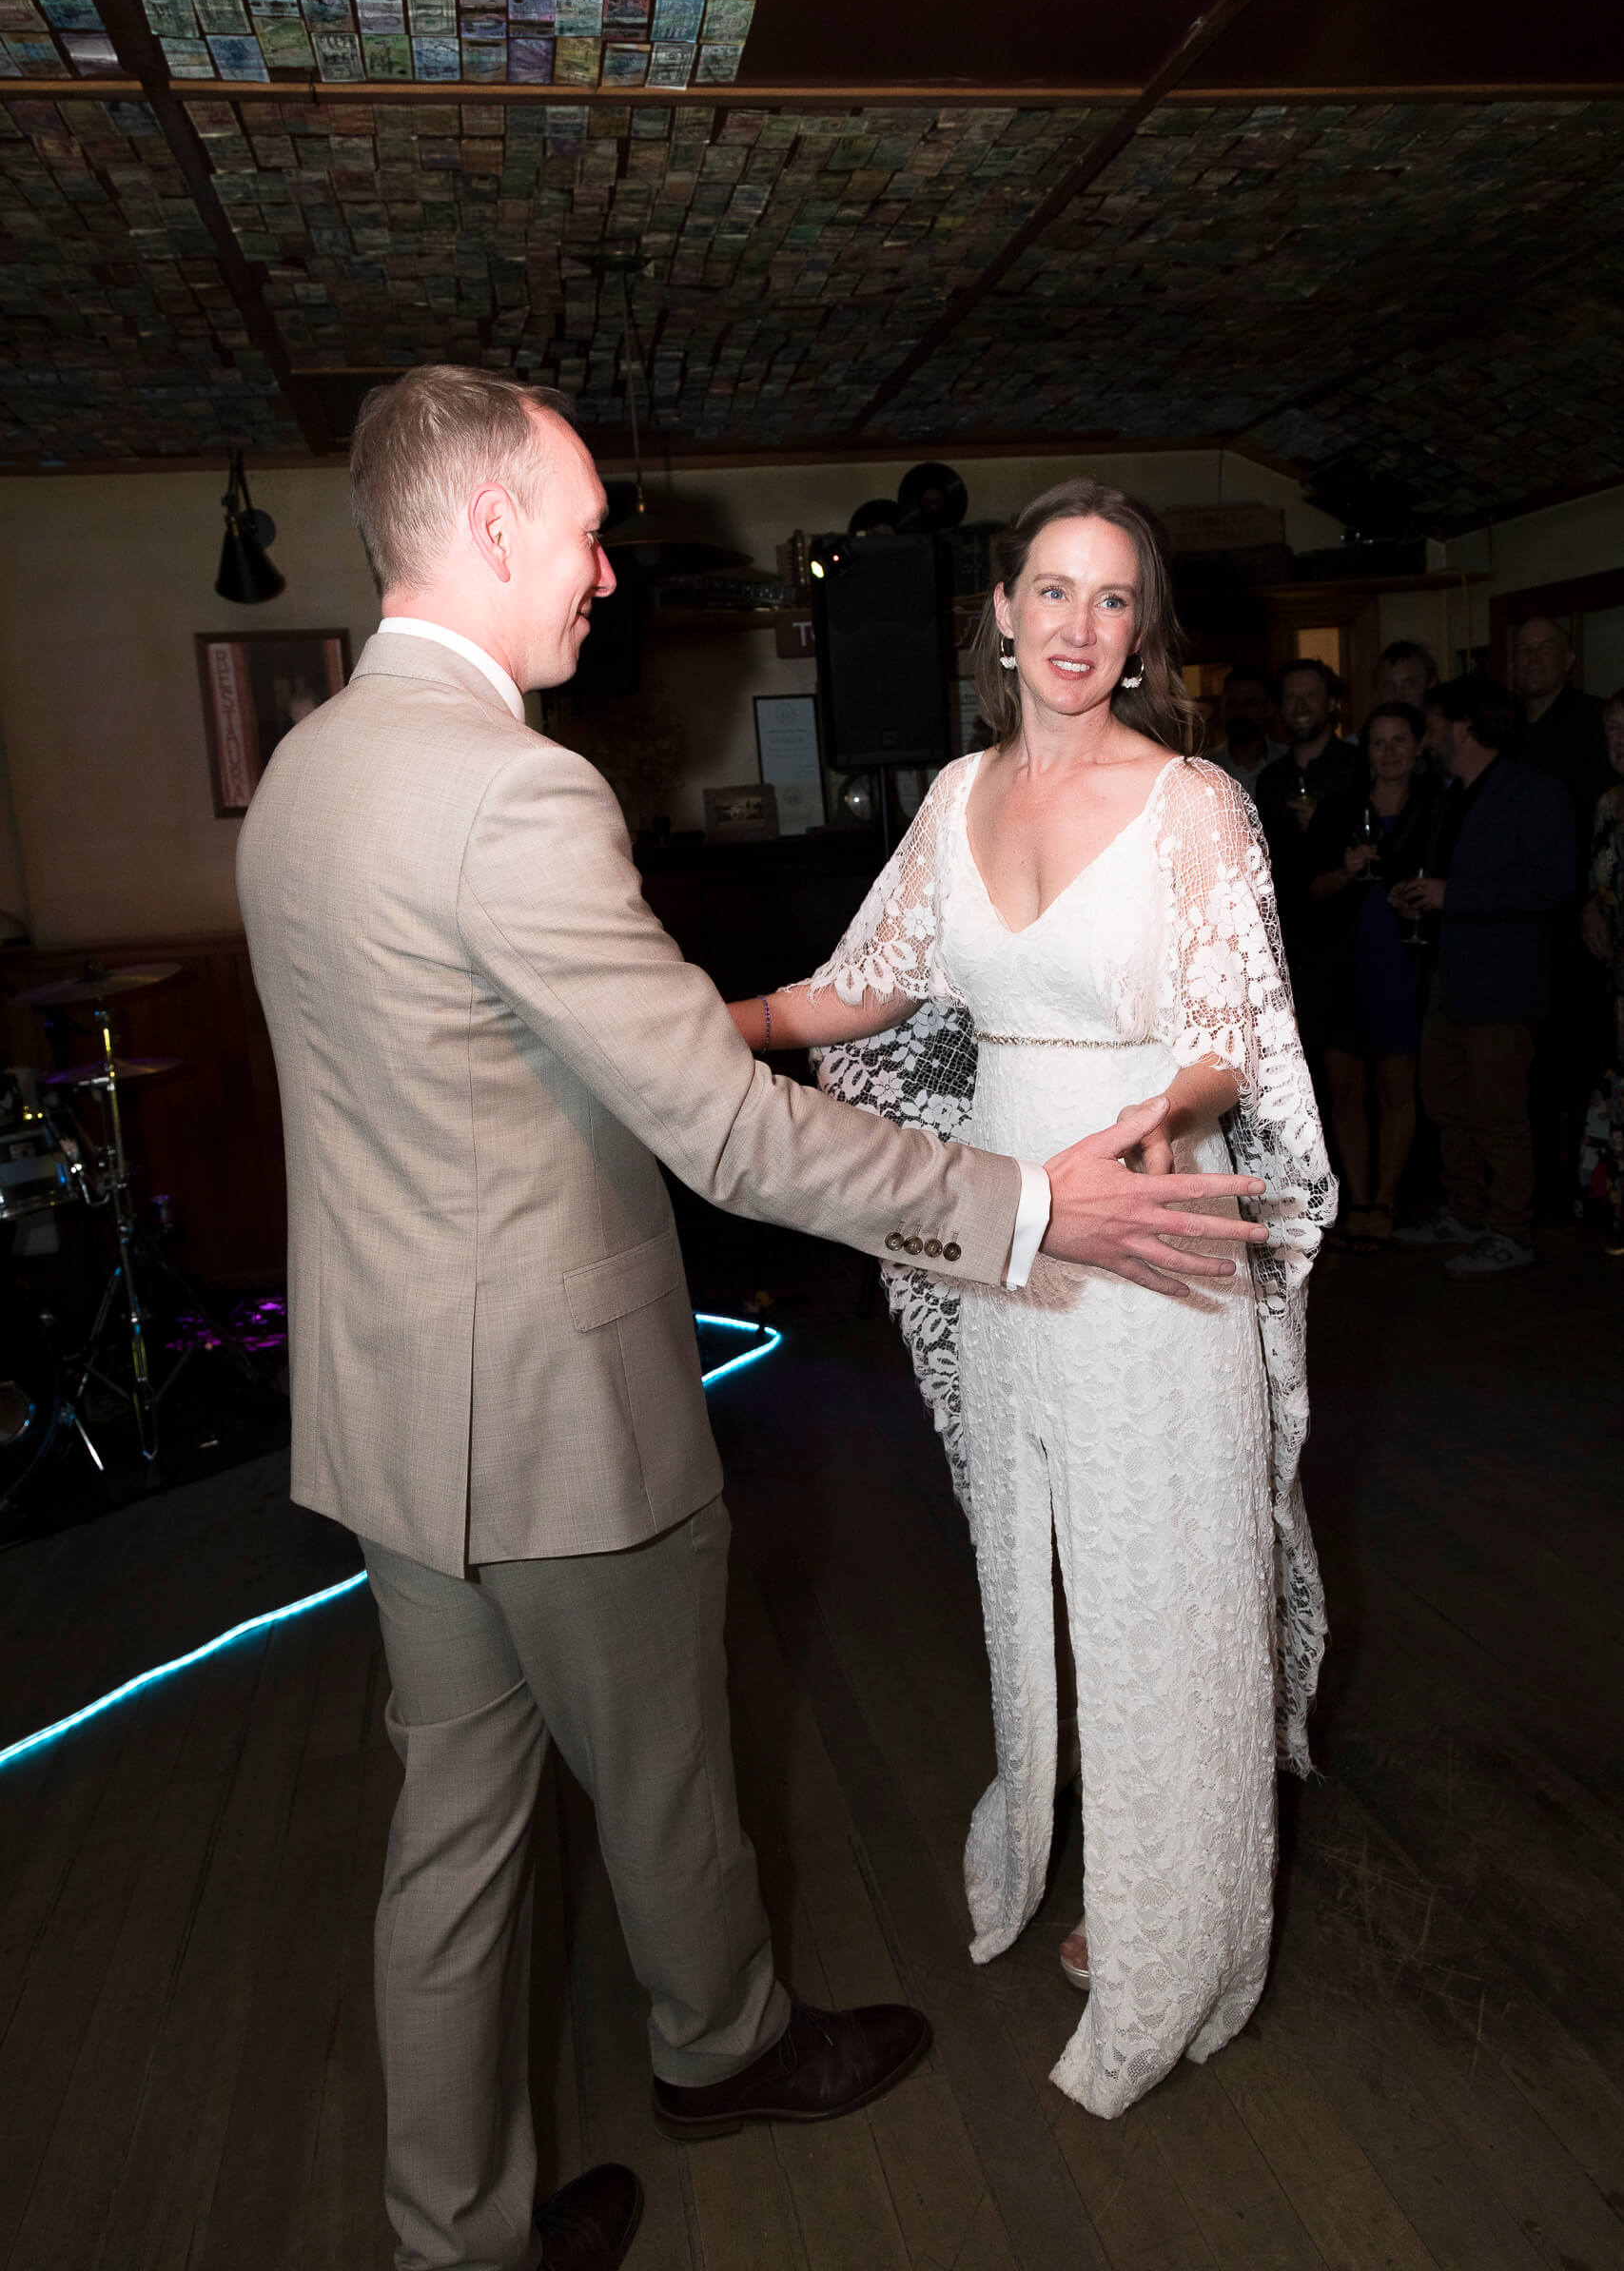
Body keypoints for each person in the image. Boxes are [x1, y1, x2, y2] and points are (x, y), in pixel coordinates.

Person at [235, 375, 1269, 2271]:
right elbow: (721, 1127)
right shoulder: (512, 785)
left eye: (1109, 596)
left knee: (450, 1841)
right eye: (581, 531)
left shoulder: (305, 767)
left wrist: (710, 1032)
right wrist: (1028, 1203)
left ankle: (452, 2240)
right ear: (488, 528)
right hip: (554, 1413)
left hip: (384, 1417)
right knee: (665, 1774)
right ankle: (722, 2048)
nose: (603, 572)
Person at [725, 479, 1333, 2120]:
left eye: (1110, 599)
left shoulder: (1195, 805)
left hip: (1144, 1233)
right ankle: (1057, 1838)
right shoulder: (953, 797)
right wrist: (710, 1027)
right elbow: (859, 988)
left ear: (1141, 634)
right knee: (1027, 1555)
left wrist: (1151, 1133)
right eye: (1050, 591)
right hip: (1006, 1233)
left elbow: (1234, 1039)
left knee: (1165, 1584)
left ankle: (1171, 1925)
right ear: (997, 615)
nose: (1077, 625)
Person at [1390, 675, 1573, 1278]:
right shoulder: (1451, 795)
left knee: (1498, 1113)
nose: (1426, 736)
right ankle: (1465, 1212)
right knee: (1447, 1103)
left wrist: (1454, 896)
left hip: (1504, 985)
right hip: (1450, 975)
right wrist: (1421, 898)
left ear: (1463, 725)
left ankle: (1510, 1231)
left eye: (1433, 723)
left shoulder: (1534, 792)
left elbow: (1554, 885)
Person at [1306, 702, 1441, 1249]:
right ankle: (1358, 1201)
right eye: (1378, 742)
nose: (1388, 752)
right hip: (1344, 962)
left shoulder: (1437, 806)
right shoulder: (1340, 807)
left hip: (1403, 961)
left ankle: (1385, 1202)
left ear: (1419, 745)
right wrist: (1347, 871)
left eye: (1398, 740)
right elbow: (1307, 890)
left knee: (1395, 1090)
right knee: (1345, 1093)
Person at [1511, 611, 1614, 1207]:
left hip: (1584, 917)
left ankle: (1580, 1185)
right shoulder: (1506, 727)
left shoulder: (1595, 723)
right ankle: (1536, 1188)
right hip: (1520, 925)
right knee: (1527, 1063)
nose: (1533, 658)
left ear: (1570, 659)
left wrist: (1593, 901)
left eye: (1545, 647)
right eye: (1524, 649)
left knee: (1579, 1051)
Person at [1254, 658, 1363, 991]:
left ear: (1331, 702)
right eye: (1291, 697)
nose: (1300, 706)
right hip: (1288, 943)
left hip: (1352, 937)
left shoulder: (1359, 767)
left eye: (1311, 695)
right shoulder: (1271, 778)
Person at [1578, 687, 1624, 1253]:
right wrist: (1592, 904)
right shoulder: (1609, 804)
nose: (1622, 740)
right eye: (1614, 728)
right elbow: (1599, 881)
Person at [1203, 663, 1285, 799]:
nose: (1239, 711)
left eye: (1250, 704)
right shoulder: (1205, 767)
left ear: (1269, 709)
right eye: (1232, 703)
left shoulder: (1288, 763)